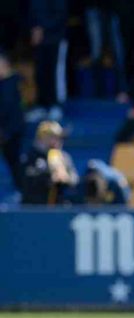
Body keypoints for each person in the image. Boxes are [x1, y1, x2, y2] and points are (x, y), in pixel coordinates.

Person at [27, 0, 69, 122]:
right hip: (38, 39)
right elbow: (30, 11)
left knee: (55, 73)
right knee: (40, 71)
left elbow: (61, 14)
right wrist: (33, 28)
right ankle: (42, 105)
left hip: (55, 37)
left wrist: (42, 28)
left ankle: (56, 105)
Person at [21, 121, 78, 205]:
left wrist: (65, 178)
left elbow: (74, 179)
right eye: (54, 137)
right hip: (35, 207)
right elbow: (25, 180)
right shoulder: (30, 156)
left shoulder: (64, 157)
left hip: (58, 206)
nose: (59, 141)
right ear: (42, 138)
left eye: (60, 138)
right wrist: (49, 176)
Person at [0, 53, 25, 195]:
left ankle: (22, 190)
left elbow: (7, 107)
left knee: (15, 159)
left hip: (12, 129)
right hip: (8, 128)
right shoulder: (6, 83)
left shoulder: (11, 82)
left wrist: (5, 130)